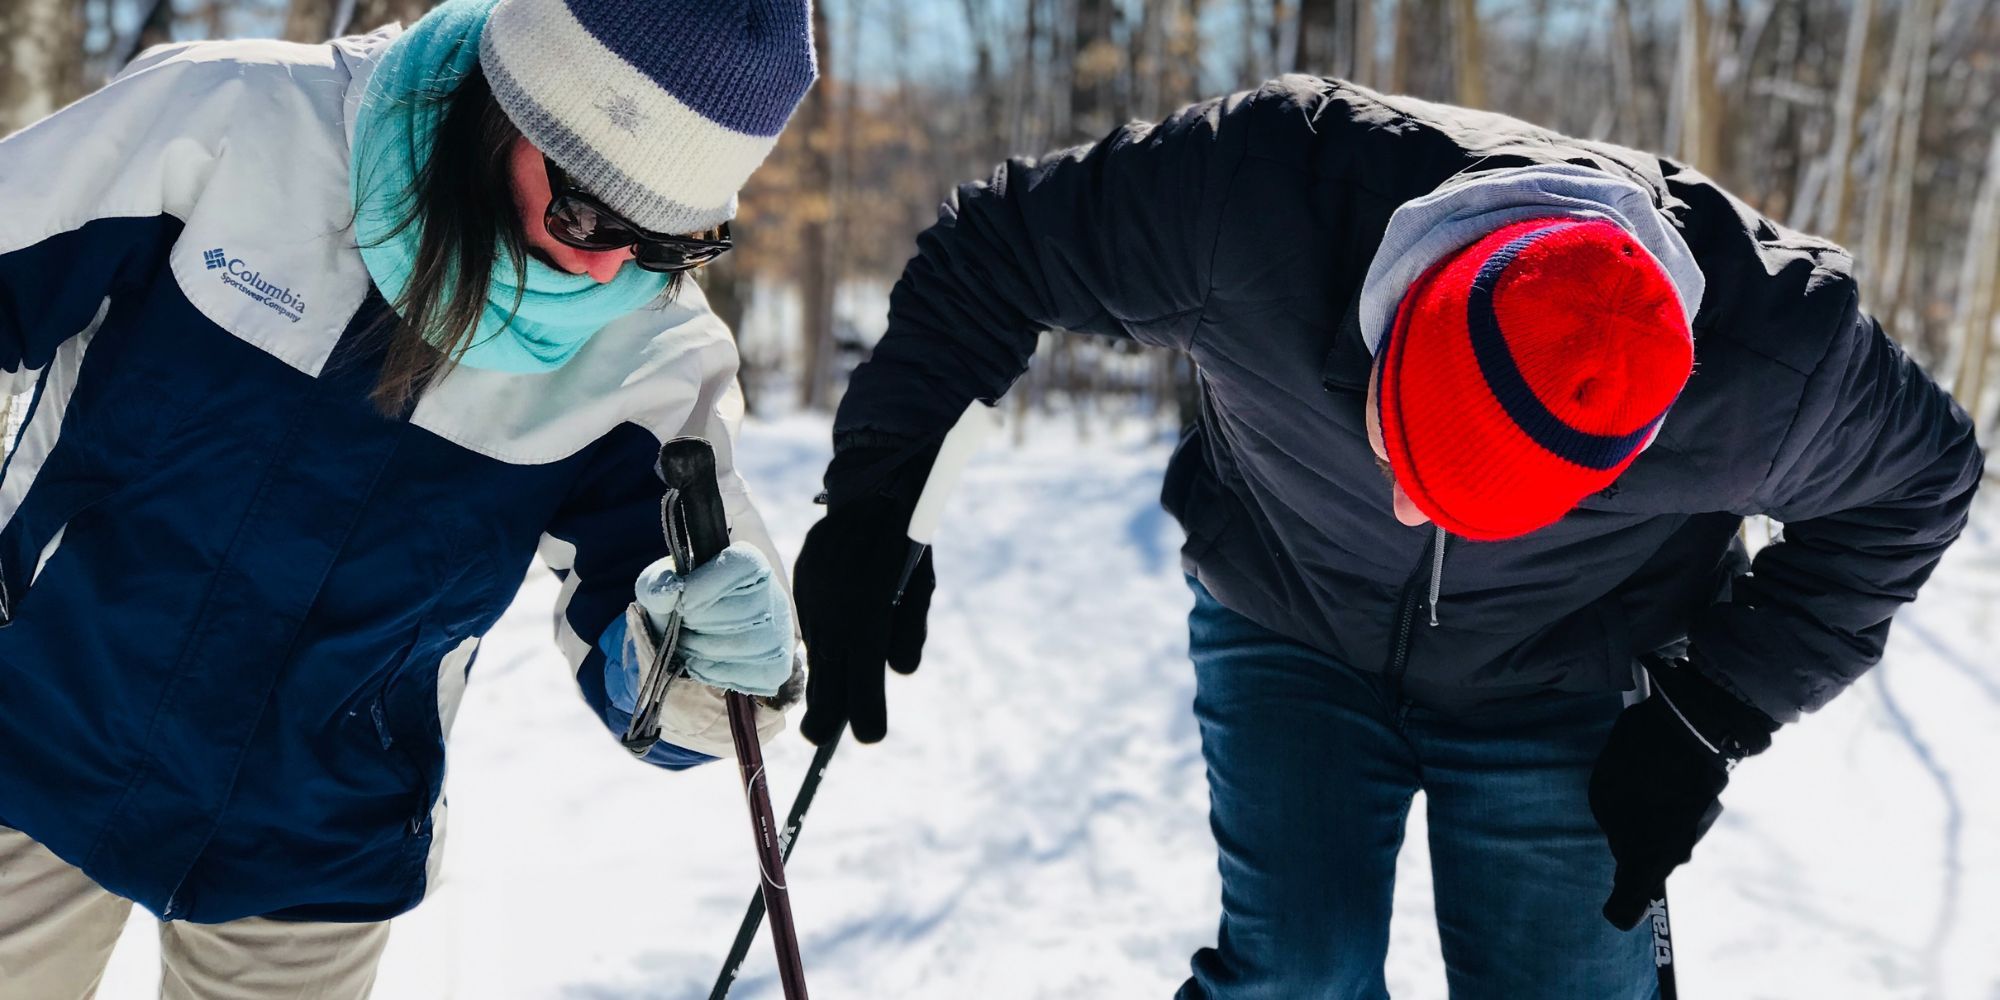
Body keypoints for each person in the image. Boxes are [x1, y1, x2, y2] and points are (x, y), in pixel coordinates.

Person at [791, 76, 1984, 998]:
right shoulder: (1254, 194)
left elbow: (1918, 487)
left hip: (1569, 666)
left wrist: (1709, 708)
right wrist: (877, 499)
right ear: (1397, 306)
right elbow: (993, 254)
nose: (1418, 510)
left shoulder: (1776, 362)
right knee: (1293, 974)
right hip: (1289, 613)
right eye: (1407, 458)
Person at [0, 0, 813, 995]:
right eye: (585, 212)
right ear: (502, 105)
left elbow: (678, 672)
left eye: (664, 244)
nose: (605, 267)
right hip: (28, 731)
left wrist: (716, 661)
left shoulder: (651, 351)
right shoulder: (234, 120)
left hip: (316, 843)